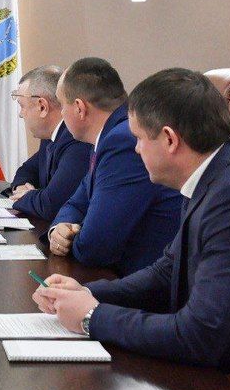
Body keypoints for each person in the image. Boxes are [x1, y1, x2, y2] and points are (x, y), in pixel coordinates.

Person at [33, 68, 230, 384]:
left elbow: (198, 337)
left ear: (169, 139)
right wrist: (88, 293)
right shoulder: (220, 170)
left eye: (139, 138)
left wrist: (92, 316)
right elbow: (167, 272)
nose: (135, 149)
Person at [47, 58, 180, 275]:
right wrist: (59, 228)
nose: (61, 114)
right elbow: (76, 202)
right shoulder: (108, 135)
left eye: (62, 105)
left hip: (142, 281)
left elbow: (94, 247)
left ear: (79, 108)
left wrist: (70, 240)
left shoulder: (123, 140)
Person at [5, 65, 92, 221]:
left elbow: (51, 205)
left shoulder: (77, 141)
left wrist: (27, 196)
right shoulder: (50, 136)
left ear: (42, 106)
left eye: (22, 106)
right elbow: (27, 169)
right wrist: (21, 187)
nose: (20, 114)